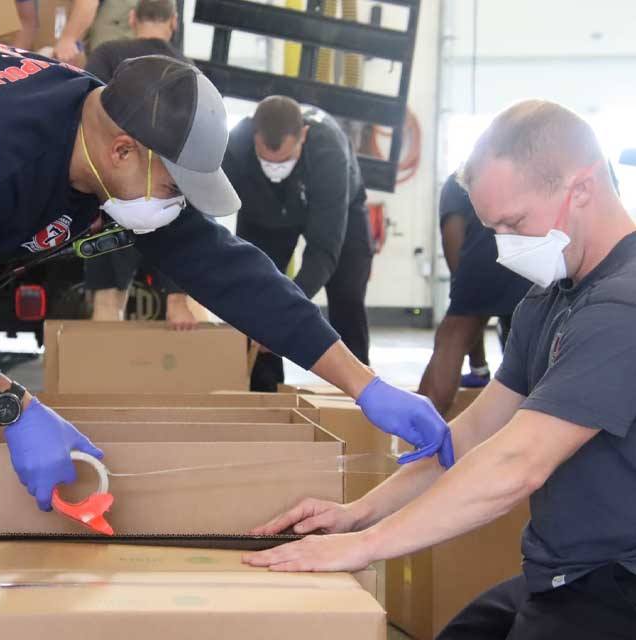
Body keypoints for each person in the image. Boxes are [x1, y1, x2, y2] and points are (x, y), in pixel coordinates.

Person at [0, 20, 453, 639]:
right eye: (177, 186)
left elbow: (228, 270)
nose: (179, 204)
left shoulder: (112, 138)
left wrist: (364, 385)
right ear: (123, 150)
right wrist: (11, 406)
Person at [243, 99, 636, 639]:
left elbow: (517, 463)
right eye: (494, 229)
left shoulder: (622, 308)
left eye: (515, 223)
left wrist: (363, 548)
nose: (506, 248)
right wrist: (359, 514)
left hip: (617, 582)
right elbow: (474, 435)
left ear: (583, 188)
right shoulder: (548, 301)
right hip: (559, 573)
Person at [227, 96, 374, 391]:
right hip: (267, 213)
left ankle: (359, 394)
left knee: (347, 293)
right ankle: (264, 393)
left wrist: (287, 311)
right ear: (253, 136)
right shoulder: (235, 146)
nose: (274, 167)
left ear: (303, 136)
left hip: (336, 209)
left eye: (282, 159)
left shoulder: (329, 150)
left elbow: (323, 249)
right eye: (265, 159)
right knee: (258, 297)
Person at [83, 0, 198, 327]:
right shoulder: (189, 70)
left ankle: (109, 378)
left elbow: (86, 120)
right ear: (173, 23)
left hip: (113, 194)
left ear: (132, 19)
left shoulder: (106, 55)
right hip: (170, 200)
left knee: (107, 303)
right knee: (181, 310)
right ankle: (199, 376)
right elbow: (195, 151)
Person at [417, 174, 530, 415]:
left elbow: (453, 237)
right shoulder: (534, 165)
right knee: (530, 348)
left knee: (455, 333)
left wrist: (463, 293)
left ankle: (418, 441)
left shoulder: (461, 179)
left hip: (482, 258)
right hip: (533, 251)